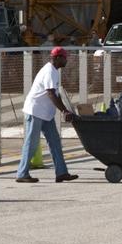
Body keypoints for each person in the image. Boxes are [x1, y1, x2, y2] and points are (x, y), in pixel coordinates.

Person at [15, 46, 78, 184]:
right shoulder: (50, 71)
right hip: (36, 111)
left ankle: (61, 172)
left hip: (46, 114)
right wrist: (63, 111)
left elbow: (55, 94)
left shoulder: (54, 71)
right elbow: (50, 93)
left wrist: (65, 109)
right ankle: (22, 173)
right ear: (57, 58)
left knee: (55, 142)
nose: (66, 60)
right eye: (64, 58)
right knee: (32, 143)